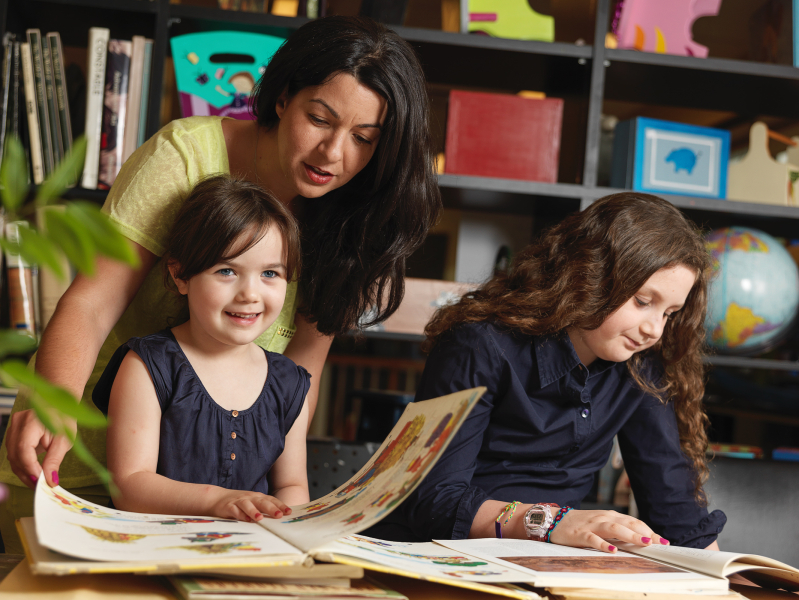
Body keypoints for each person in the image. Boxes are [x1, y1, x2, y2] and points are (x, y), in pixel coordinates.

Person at [0, 15, 440, 551]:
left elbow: (298, 375)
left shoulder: (356, 220)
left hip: (226, 505)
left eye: (364, 139)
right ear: (282, 98)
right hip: (84, 463)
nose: (333, 154)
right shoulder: (185, 156)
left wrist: (290, 514)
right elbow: (93, 301)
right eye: (320, 119)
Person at [366, 193, 726, 552]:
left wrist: (724, 579)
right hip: (434, 553)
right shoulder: (479, 345)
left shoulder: (641, 366)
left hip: (542, 559)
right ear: (591, 274)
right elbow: (433, 501)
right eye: (643, 302)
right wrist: (552, 522)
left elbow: (674, 508)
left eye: (669, 313)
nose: (655, 330)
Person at [94, 176, 309, 519]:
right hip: (154, 552)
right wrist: (216, 501)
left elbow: (292, 485)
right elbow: (130, 484)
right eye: (226, 270)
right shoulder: (148, 365)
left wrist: (288, 519)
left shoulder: (290, 382)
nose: (250, 294)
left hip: (248, 555)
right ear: (180, 276)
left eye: (270, 274)